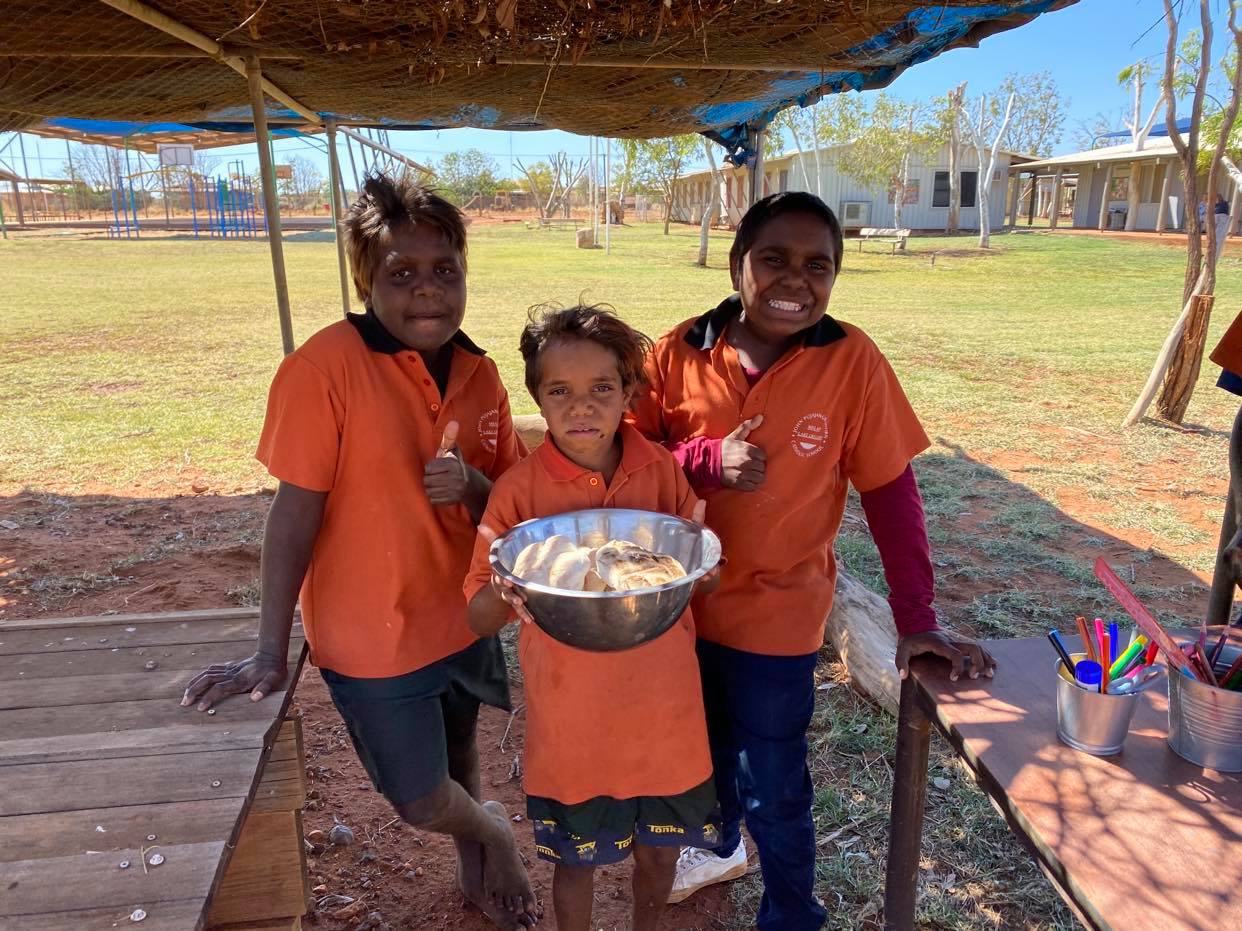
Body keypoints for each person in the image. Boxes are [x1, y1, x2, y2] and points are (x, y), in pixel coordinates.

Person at [629, 191, 997, 930]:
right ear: (738, 266)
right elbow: (624, 461)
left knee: (776, 780)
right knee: (703, 749)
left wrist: (917, 617)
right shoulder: (677, 351)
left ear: (834, 278)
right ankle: (722, 844)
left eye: (817, 265)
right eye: (774, 259)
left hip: (780, 613)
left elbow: (893, 496)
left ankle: (793, 912)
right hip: (678, 609)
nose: (794, 279)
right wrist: (703, 459)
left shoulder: (851, 361)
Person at [181, 173, 539, 929]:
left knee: (460, 754)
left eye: (445, 270)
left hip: (465, 614)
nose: (427, 292)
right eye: (400, 274)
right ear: (365, 281)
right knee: (417, 796)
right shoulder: (324, 368)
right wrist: (270, 650)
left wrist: (474, 483)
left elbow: (513, 501)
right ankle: (493, 829)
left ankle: (476, 873)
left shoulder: (481, 372)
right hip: (369, 633)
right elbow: (292, 517)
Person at [465, 304, 722, 931]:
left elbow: (694, 554)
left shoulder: (657, 470)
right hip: (572, 726)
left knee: (659, 856)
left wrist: (704, 569)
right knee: (575, 866)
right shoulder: (519, 493)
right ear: (537, 396)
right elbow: (476, 615)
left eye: (602, 389)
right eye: (561, 391)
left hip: (667, 718)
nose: (582, 407)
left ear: (629, 393)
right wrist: (505, 589)